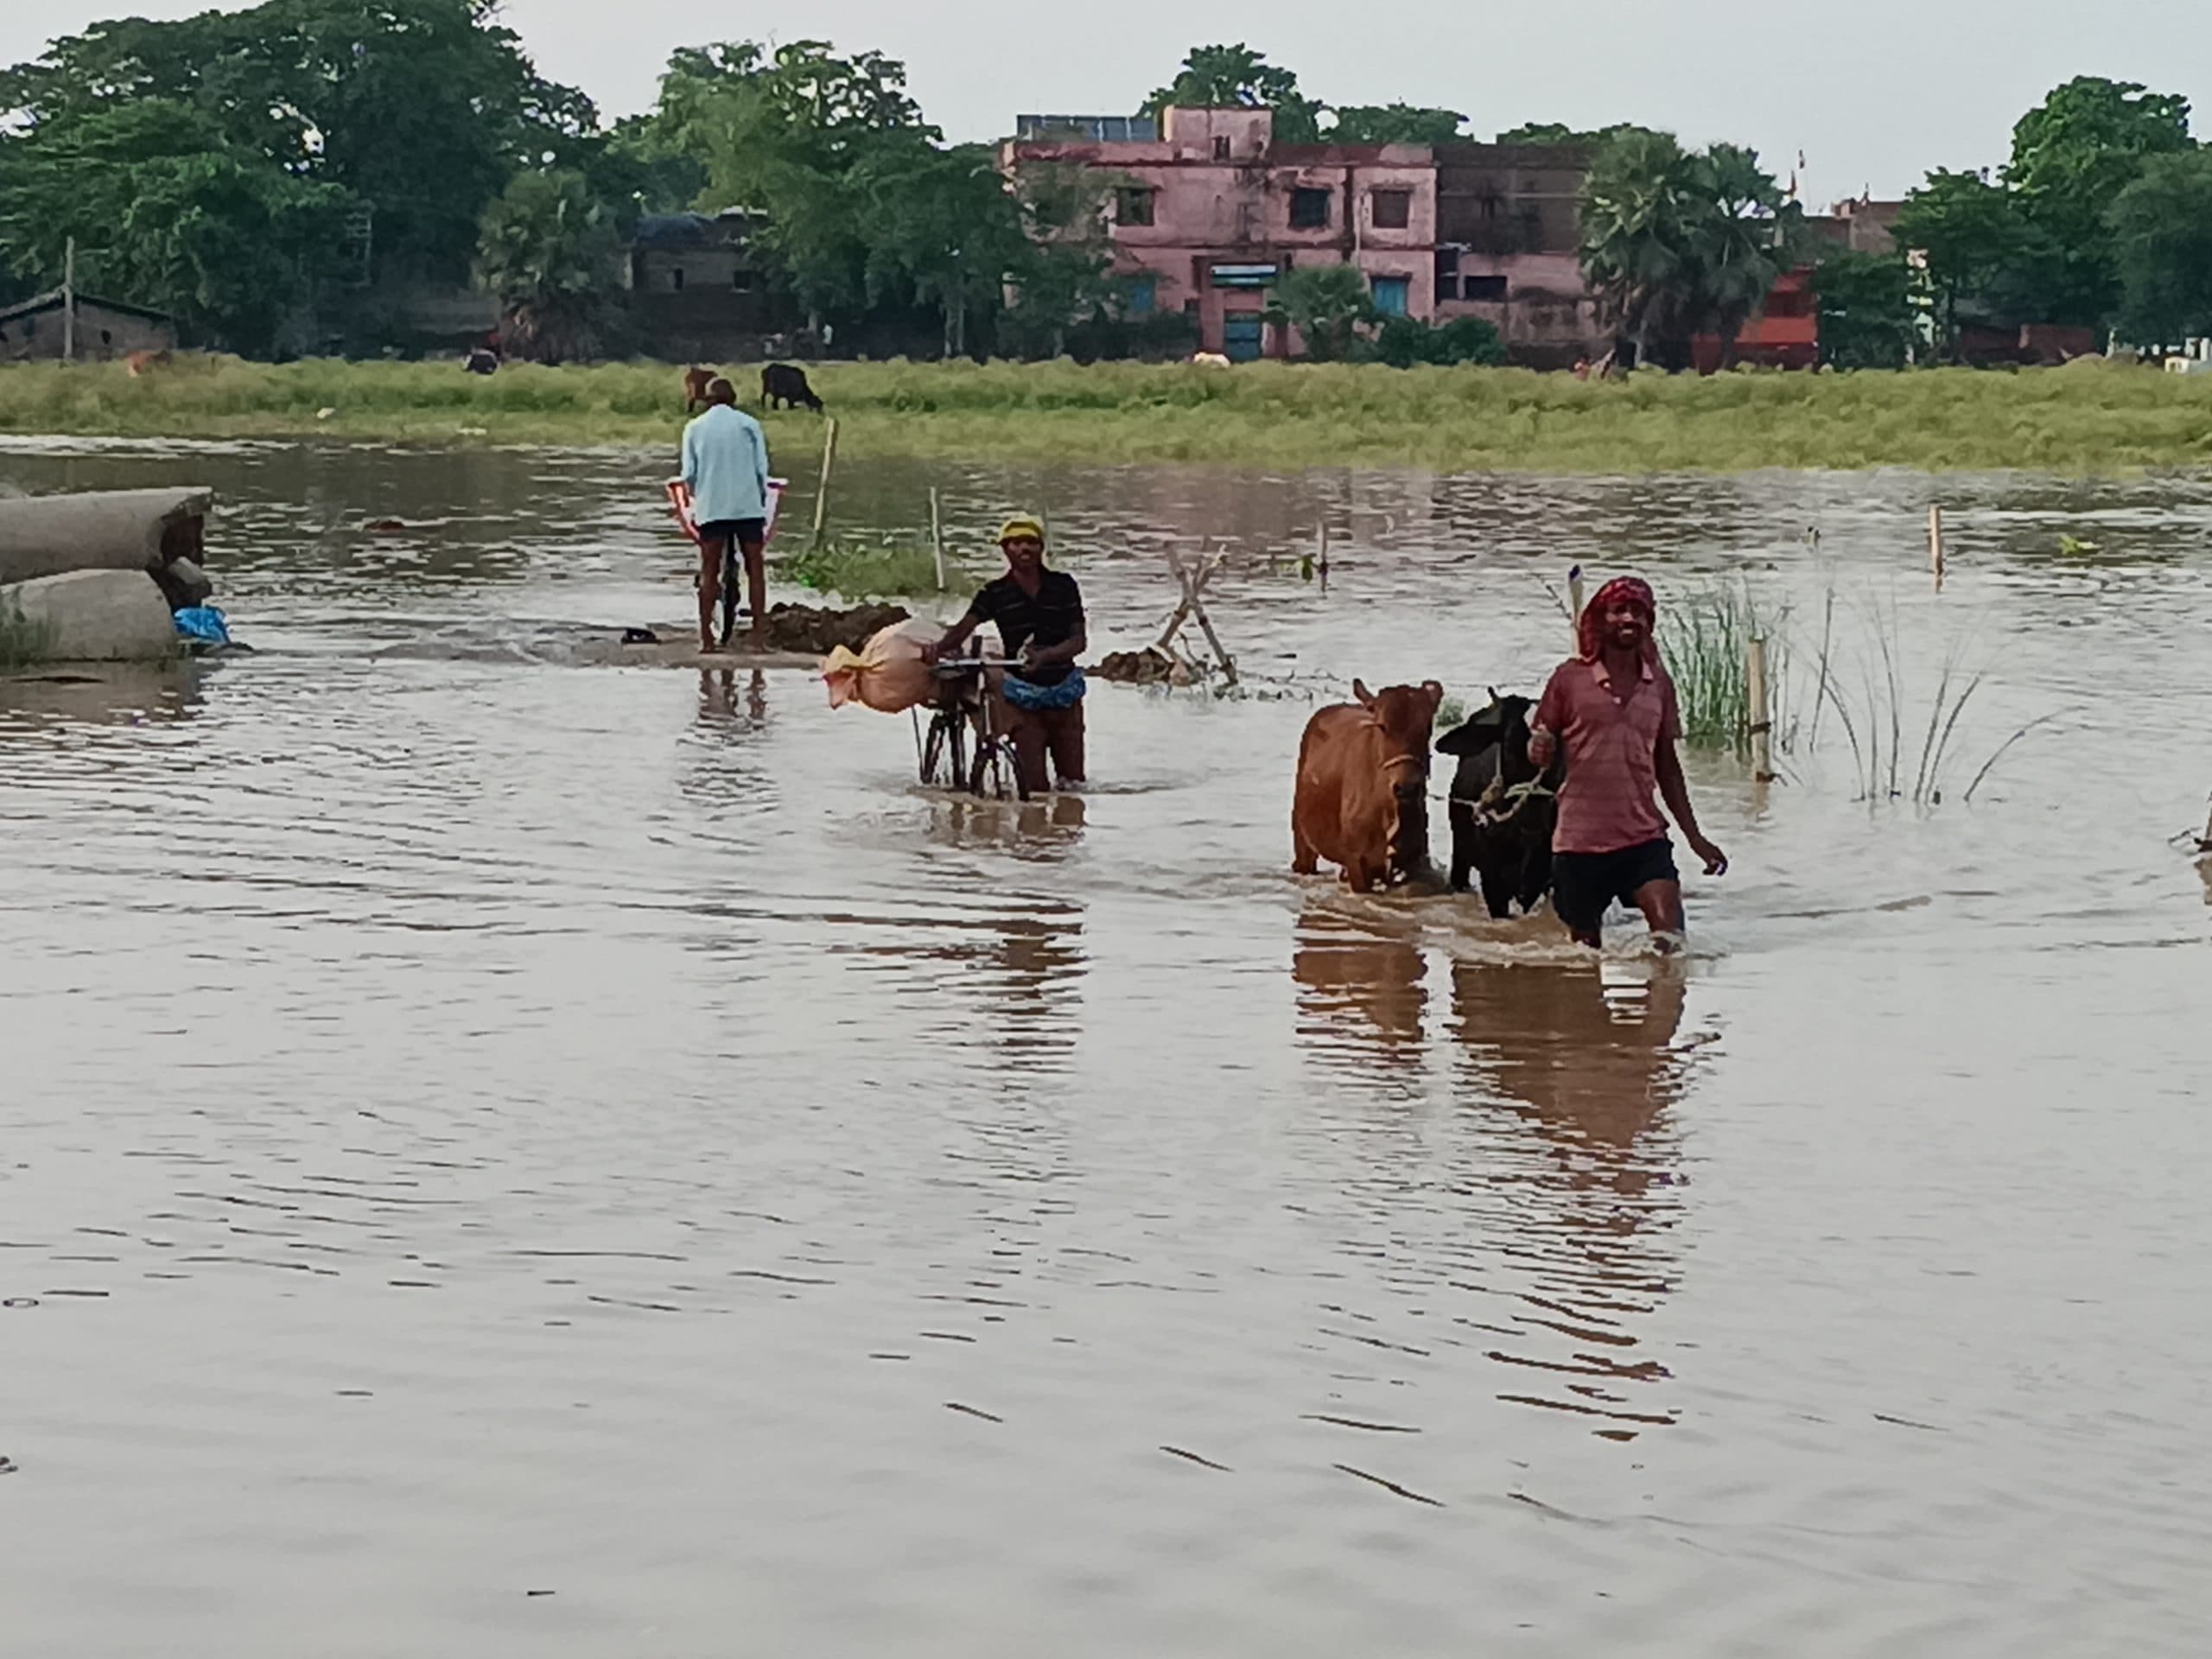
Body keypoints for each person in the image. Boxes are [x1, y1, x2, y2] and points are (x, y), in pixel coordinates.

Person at [1527, 576, 1726, 950]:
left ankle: (1664, 1005)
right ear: (1601, 620)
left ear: (1649, 622)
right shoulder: (1569, 679)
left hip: (1643, 839)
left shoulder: (1660, 685)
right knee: (1586, 959)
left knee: (1671, 945)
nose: (1629, 619)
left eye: (1638, 612)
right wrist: (1539, 747)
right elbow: (1540, 741)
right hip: (1578, 845)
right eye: (1619, 611)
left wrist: (1695, 838)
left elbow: (1667, 767)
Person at [927, 516, 1087, 794]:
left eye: (1032, 542)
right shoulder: (995, 593)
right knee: (1035, 787)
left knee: (1073, 783)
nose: (1025, 548)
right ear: (1005, 549)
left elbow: (1078, 641)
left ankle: (1068, 832)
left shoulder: (1063, 586)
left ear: (1041, 548)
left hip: (1065, 692)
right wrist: (938, 649)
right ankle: (1038, 834)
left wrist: (1047, 656)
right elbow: (965, 627)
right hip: (1022, 697)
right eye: (1017, 543)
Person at [678, 377, 772, 652]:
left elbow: (689, 475)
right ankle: (757, 638)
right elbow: (761, 471)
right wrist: (760, 501)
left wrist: (700, 498)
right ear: (733, 400)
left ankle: (706, 638)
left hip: (713, 508)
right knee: (755, 569)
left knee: (709, 569)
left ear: (707, 401)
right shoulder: (749, 425)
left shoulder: (694, 427)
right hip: (747, 507)